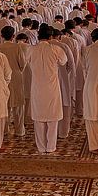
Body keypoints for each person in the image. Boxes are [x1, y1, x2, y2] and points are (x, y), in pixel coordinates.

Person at [29, 25, 68, 154]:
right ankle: (51, 146)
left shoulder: (31, 50)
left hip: (37, 87)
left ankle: (41, 146)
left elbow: (26, 62)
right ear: (51, 37)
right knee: (52, 118)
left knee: (39, 119)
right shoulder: (56, 49)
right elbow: (64, 61)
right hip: (51, 87)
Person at [0, 26, 28, 137]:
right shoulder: (17, 47)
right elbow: (22, 63)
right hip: (16, 76)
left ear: (1, 36)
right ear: (13, 36)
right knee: (18, 105)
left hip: (2, 78)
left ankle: (5, 129)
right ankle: (19, 130)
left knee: (4, 105)